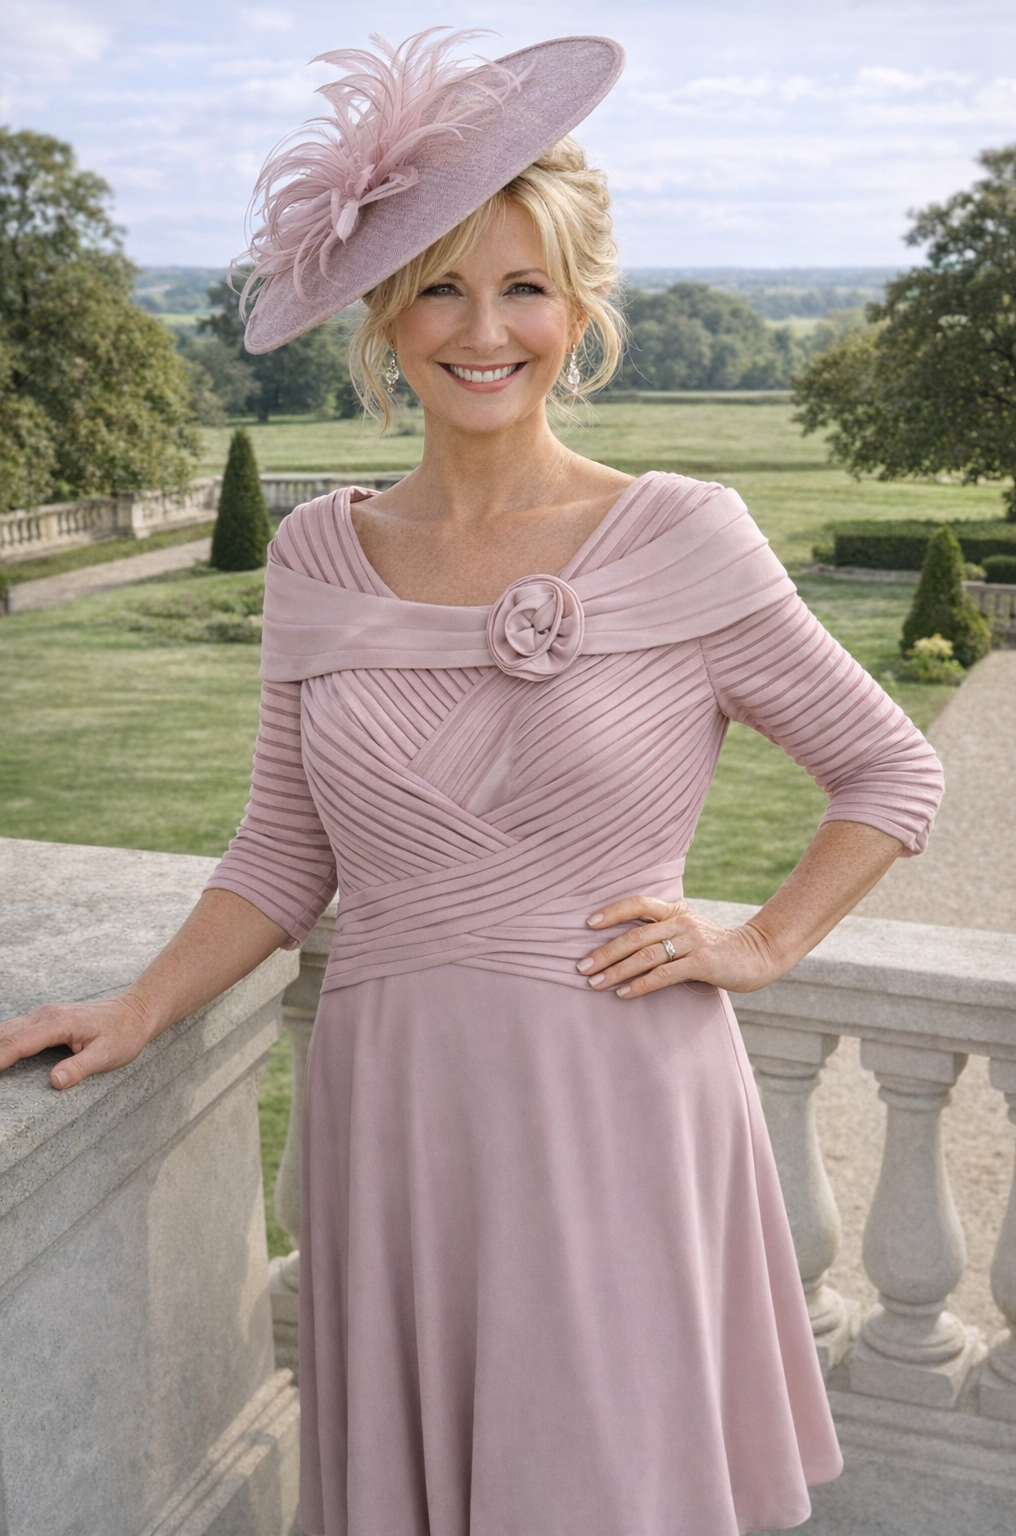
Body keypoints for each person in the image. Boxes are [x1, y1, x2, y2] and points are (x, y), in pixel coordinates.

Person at [0, 30, 944, 1536]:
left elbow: (888, 766)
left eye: (523, 287)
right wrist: (138, 1006)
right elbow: (282, 850)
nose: (482, 327)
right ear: (383, 315)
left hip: (618, 1108)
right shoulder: (317, 557)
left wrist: (758, 941)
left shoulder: (685, 534)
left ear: (579, 311)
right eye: (440, 284)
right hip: (398, 1109)